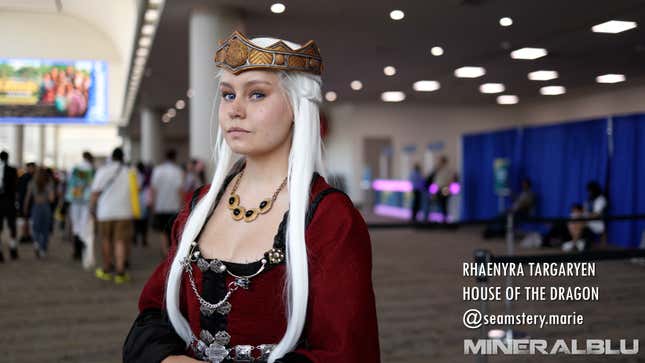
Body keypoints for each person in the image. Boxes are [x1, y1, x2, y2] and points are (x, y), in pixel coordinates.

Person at [123, 31, 380, 363]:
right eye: (228, 95)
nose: (235, 110)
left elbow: (346, 351)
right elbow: (154, 312)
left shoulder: (330, 218)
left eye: (257, 94)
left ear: (296, 107)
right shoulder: (200, 204)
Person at [90, 147, 136, 283]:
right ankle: (120, 272)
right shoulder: (130, 172)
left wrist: (91, 209)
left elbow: (95, 192)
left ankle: (106, 269)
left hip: (105, 212)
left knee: (105, 240)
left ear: (112, 157)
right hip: (124, 212)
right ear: (123, 157)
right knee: (120, 241)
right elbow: (136, 190)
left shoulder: (103, 171)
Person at [151, 149, 185, 257]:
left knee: (163, 230)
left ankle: (165, 252)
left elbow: (153, 189)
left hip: (160, 206)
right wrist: (182, 204)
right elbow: (180, 190)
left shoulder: (158, 170)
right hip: (174, 206)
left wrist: (153, 204)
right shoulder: (178, 171)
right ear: (175, 158)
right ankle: (172, 252)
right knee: (173, 230)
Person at [562, 181, 607, 252]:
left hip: (596, 222)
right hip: (586, 219)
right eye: (589, 191)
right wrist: (579, 214)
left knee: (578, 224)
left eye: (590, 191)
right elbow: (584, 210)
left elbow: (596, 214)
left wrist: (584, 216)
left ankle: (573, 243)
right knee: (571, 223)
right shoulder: (589, 199)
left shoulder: (601, 199)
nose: (589, 192)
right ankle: (577, 243)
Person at [66, 151, 95, 261]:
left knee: (76, 226)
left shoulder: (75, 168)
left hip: (75, 200)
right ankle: (83, 249)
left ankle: (76, 251)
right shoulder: (91, 169)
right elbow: (93, 185)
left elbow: (70, 184)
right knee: (84, 225)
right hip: (86, 201)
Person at [23, 167, 55, 258]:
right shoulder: (49, 183)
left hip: (36, 206)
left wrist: (25, 207)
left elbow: (27, 197)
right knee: (45, 229)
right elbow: (52, 199)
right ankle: (43, 249)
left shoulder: (32, 183)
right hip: (45, 207)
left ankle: (36, 242)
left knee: (35, 227)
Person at [0, 151, 18, 261]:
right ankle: (13, 250)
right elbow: (15, 187)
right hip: (10, 202)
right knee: (12, 227)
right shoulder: (12, 170)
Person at [17, 162, 36, 244]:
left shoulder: (24, 177)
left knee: (26, 219)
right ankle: (25, 235)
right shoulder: (27, 177)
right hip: (26, 201)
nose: (33, 169)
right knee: (25, 219)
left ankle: (26, 235)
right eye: (32, 167)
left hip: (26, 201)